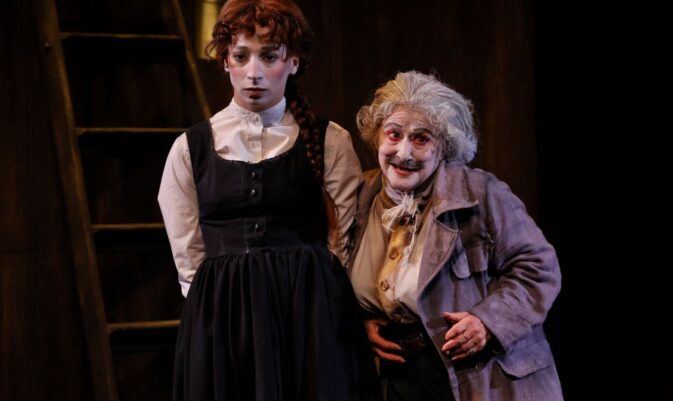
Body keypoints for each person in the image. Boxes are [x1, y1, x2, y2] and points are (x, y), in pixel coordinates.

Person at [158, 1, 379, 400]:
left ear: (293, 62)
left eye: (270, 57)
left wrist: (324, 310)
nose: (254, 73)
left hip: (309, 315)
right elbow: (188, 255)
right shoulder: (190, 148)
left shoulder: (330, 140)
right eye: (241, 56)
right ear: (225, 60)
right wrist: (216, 317)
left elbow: (343, 242)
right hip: (225, 317)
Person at [348, 71, 563, 401]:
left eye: (421, 139)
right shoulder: (360, 197)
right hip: (395, 379)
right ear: (377, 136)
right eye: (393, 134)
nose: (403, 152)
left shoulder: (480, 193)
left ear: (445, 146)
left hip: (478, 377)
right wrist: (359, 323)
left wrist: (489, 322)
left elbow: (539, 268)